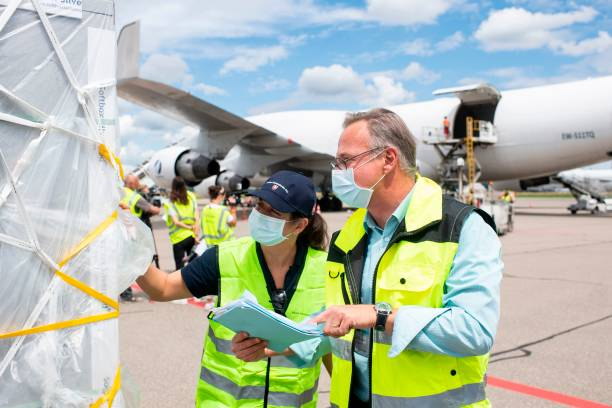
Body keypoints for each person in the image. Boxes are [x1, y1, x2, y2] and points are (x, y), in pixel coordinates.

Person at [309, 108, 503, 407]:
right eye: (337, 163)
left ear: (388, 159)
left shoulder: (462, 227)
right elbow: (337, 321)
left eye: (347, 161)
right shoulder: (347, 236)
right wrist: (282, 343)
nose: (338, 172)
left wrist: (379, 315)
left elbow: (474, 331)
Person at [136, 171, 331, 407]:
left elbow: (331, 346)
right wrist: (130, 252)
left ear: (299, 225)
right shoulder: (224, 258)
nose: (260, 215)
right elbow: (163, 288)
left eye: (273, 212)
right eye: (260, 206)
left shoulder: (326, 269)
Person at [119, 174, 161, 301]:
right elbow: (155, 210)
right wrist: (152, 195)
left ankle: (125, 293)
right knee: (142, 262)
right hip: (134, 235)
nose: (139, 184)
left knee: (124, 263)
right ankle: (154, 289)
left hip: (121, 233)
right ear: (132, 184)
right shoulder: (134, 196)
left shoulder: (119, 192)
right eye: (137, 182)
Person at [164, 176, 200, 270]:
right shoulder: (191, 196)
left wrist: (188, 228)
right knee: (193, 266)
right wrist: (195, 234)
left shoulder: (170, 201)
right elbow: (197, 217)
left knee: (179, 268)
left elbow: (176, 222)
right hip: (191, 237)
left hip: (178, 239)